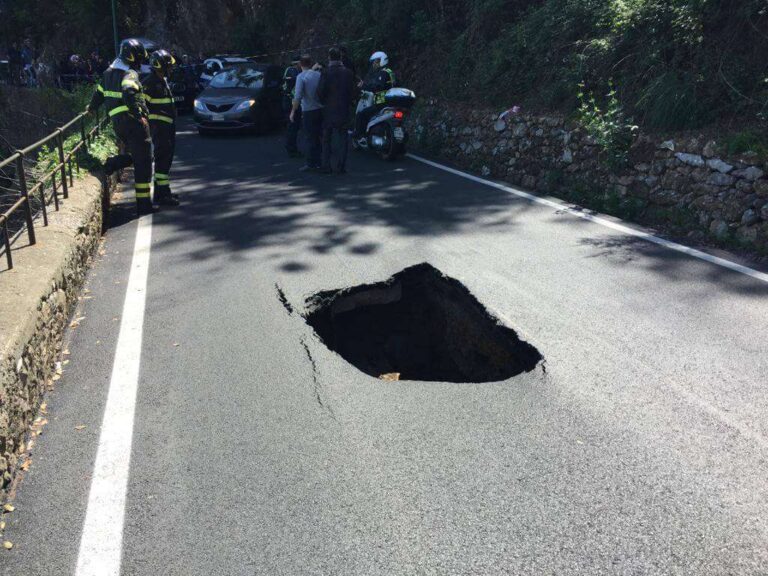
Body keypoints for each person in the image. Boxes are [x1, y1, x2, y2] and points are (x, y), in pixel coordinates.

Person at [87, 38, 154, 215]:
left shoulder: (108, 73)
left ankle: (114, 163)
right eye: (139, 59)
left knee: (137, 155)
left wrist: (91, 108)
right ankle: (144, 206)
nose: (140, 63)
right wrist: (138, 115)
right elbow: (128, 91)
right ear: (132, 57)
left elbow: (99, 94)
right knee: (144, 162)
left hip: (118, 124)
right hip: (133, 123)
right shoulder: (129, 74)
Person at [143, 50, 180, 206]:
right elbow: (142, 106)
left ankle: (161, 192)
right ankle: (163, 195)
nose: (171, 69)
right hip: (159, 128)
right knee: (162, 160)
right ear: (161, 67)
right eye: (169, 66)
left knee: (166, 160)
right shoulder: (150, 83)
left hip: (167, 127)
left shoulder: (161, 80)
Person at [317, 47, 354, 174]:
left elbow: (320, 91)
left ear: (329, 57)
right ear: (341, 57)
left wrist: (324, 102)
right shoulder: (348, 73)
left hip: (328, 109)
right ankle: (341, 166)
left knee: (326, 139)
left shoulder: (325, 72)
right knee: (343, 138)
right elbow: (352, 91)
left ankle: (326, 166)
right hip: (343, 109)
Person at [290, 55, 323, 172]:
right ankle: (320, 161)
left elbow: (298, 96)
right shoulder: (318, 75)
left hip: (308, 110)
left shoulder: (301, 77)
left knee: (310, 137)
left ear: (300, 64)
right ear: (310, 63)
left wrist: (293, 111)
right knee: (319, 136)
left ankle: (311, 163)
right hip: (320, 109)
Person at [353, 51, 395, 140]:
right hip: (391, 102)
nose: (374, 64)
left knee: (362, 114)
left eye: (376, 62)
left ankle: (360, 135)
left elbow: (377, 87)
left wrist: (364, 86)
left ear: (382, 61)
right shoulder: (390, 72)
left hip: (382, 102)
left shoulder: (383, 73)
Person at [282, 54, 302, 157]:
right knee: (292, 126)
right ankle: (291, 149)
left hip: (293, 101)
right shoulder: (291, 70)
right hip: (289, 101)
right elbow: (295, 80)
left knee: (295, 126)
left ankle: (292, 147)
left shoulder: (296, 71)